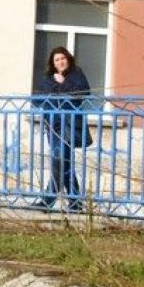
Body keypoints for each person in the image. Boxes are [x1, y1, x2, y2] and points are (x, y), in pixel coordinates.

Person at [33, 46, 91, 212]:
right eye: (57, 59)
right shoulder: (48, 78)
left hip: (70, 125)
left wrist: (63, 83)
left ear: (68, 58)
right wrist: (52, 93)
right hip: (53, 126)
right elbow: (36, 99)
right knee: (64, 163)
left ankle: (48, 200)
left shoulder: (76, 74)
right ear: (53, 63)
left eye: (63, 58)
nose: (60, 62)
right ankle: (75, 202)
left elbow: (83, 92)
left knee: (60, 160)